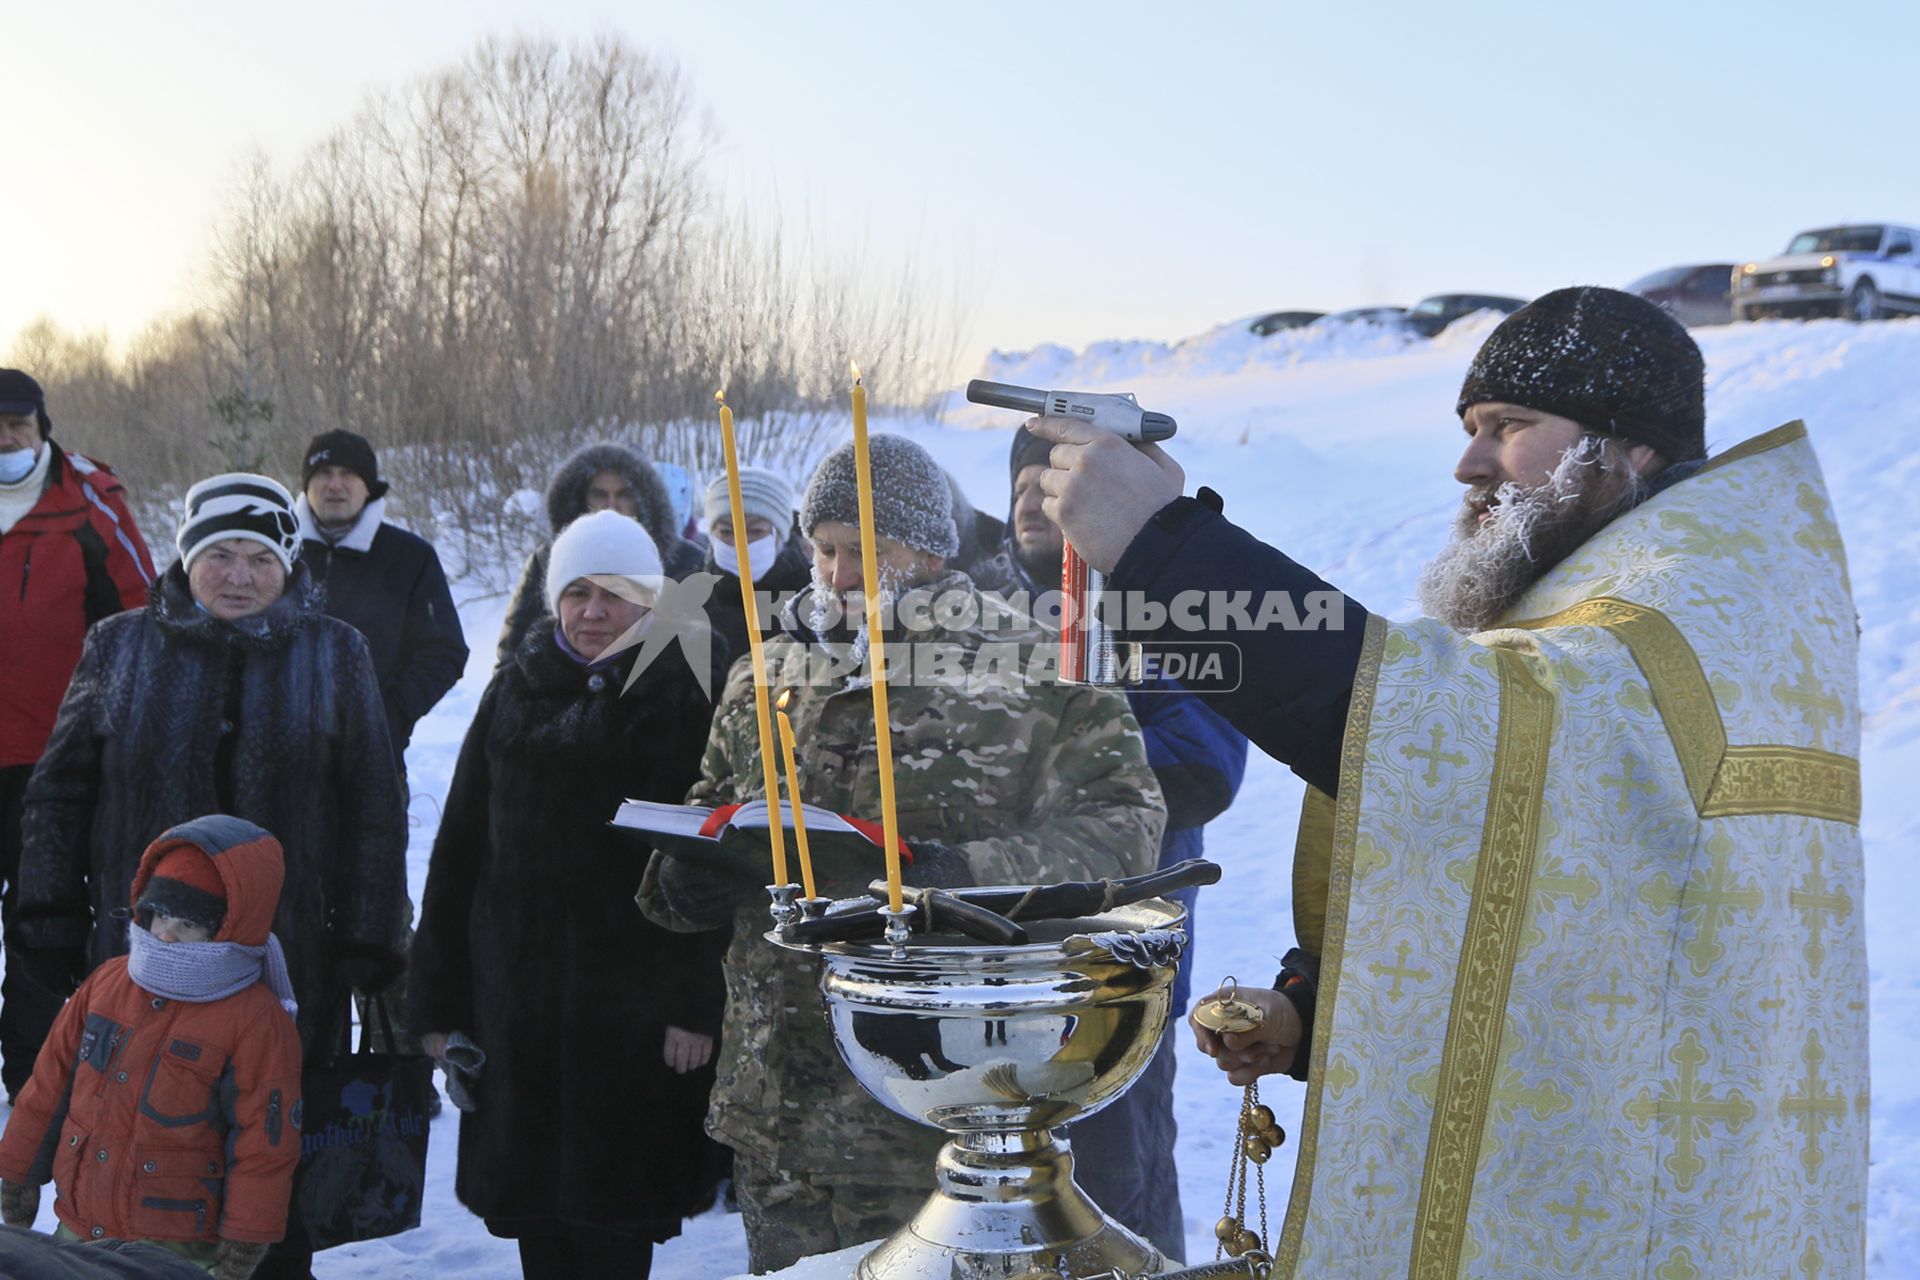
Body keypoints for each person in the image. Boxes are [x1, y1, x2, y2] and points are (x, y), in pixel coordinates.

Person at [1030, 287, 1867, 1278]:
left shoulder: (1684, 612)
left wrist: (1163, 548)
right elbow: (1568, 886)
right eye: (1471, 428)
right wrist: (1315, 1007)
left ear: (1626, 445)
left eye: (1509, 427)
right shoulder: (1635, 599)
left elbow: (1450, 732)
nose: (1469, 463)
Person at [638, 433, 1167, 1274]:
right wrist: (682, 880)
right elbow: (710, 814)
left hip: (939, 1104)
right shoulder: (765, 674)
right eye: (824, 550)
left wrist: (963, 876)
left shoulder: (1030, 664)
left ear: (925, 549)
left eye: (861, 552)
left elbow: (1123, 824)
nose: (837, 576)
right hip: (777, 1109)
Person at [12, 473, 409, 1279]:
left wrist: (369, 939)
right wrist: (48, 912)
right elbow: (58, 791)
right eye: (219, 554)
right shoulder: (118, 646)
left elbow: (375, 804)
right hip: (139, 965)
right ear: (186, 558)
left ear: (289, 564)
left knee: (271, 1154)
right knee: (136, 1150)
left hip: (288, 966)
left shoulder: (337, 651)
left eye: (260, 557)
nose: (238, 575)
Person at [408, 510, 730, 1279]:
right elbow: (457, 855)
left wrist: (696, 1004)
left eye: (615, 594)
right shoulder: (513, 693)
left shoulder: (687, 696)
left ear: (652, 602)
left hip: (638, 1022)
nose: (593, 612)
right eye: (578, 592)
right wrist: (439, 1005)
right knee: (540, 1230)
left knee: (616, 1229)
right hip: (517, 1014)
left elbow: (717, 865)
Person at [970, 422, 1247, 1263]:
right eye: (1022, 478)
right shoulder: (968, 612)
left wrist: (1052, 773)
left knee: (1117, 1200)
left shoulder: (1167, 610)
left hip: (1114, 969)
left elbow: (1205, 763)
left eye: (1053, 476)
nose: (1030, 494)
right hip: (990, 963)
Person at [0, 816, 304, 1280]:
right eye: (160, 915)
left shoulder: (255, 1019)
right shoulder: (107, 984)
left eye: (187, 924)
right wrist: (19, 1172)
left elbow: (266, 1142)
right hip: (81, 1230)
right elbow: (48, 1086)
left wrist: (247, 1235)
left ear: (229, 927)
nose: (164, 934)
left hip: (177, 1247)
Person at [0, 369, 156, 1102]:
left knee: (41, 924)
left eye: (17, 425)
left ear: (42, 427)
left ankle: (29, 1093)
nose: (4, 439)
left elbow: (142, 620)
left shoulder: (87, 499)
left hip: (53, 766)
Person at [293, 429, 467, 773]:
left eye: (349, 474)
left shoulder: (408, 557)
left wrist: (388, 715)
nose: (335, 485)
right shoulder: (273, 555)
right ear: (306, 484)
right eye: (324, 474)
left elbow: (444, 651)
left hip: (373, 760)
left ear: (369, 486)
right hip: (276, 759)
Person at [496, 442, 706, 663]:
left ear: (644, 499)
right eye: (599, 494)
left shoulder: (686, 561)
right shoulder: (547, 560)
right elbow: (513, 651)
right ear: (582, 498)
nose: (611, 505)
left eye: (624, 494)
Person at [699, 466, 811, 666]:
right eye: (726, 531)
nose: (740, 542)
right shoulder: (687, 599)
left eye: (755, 531)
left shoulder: (813, 597)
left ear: (779, 534)